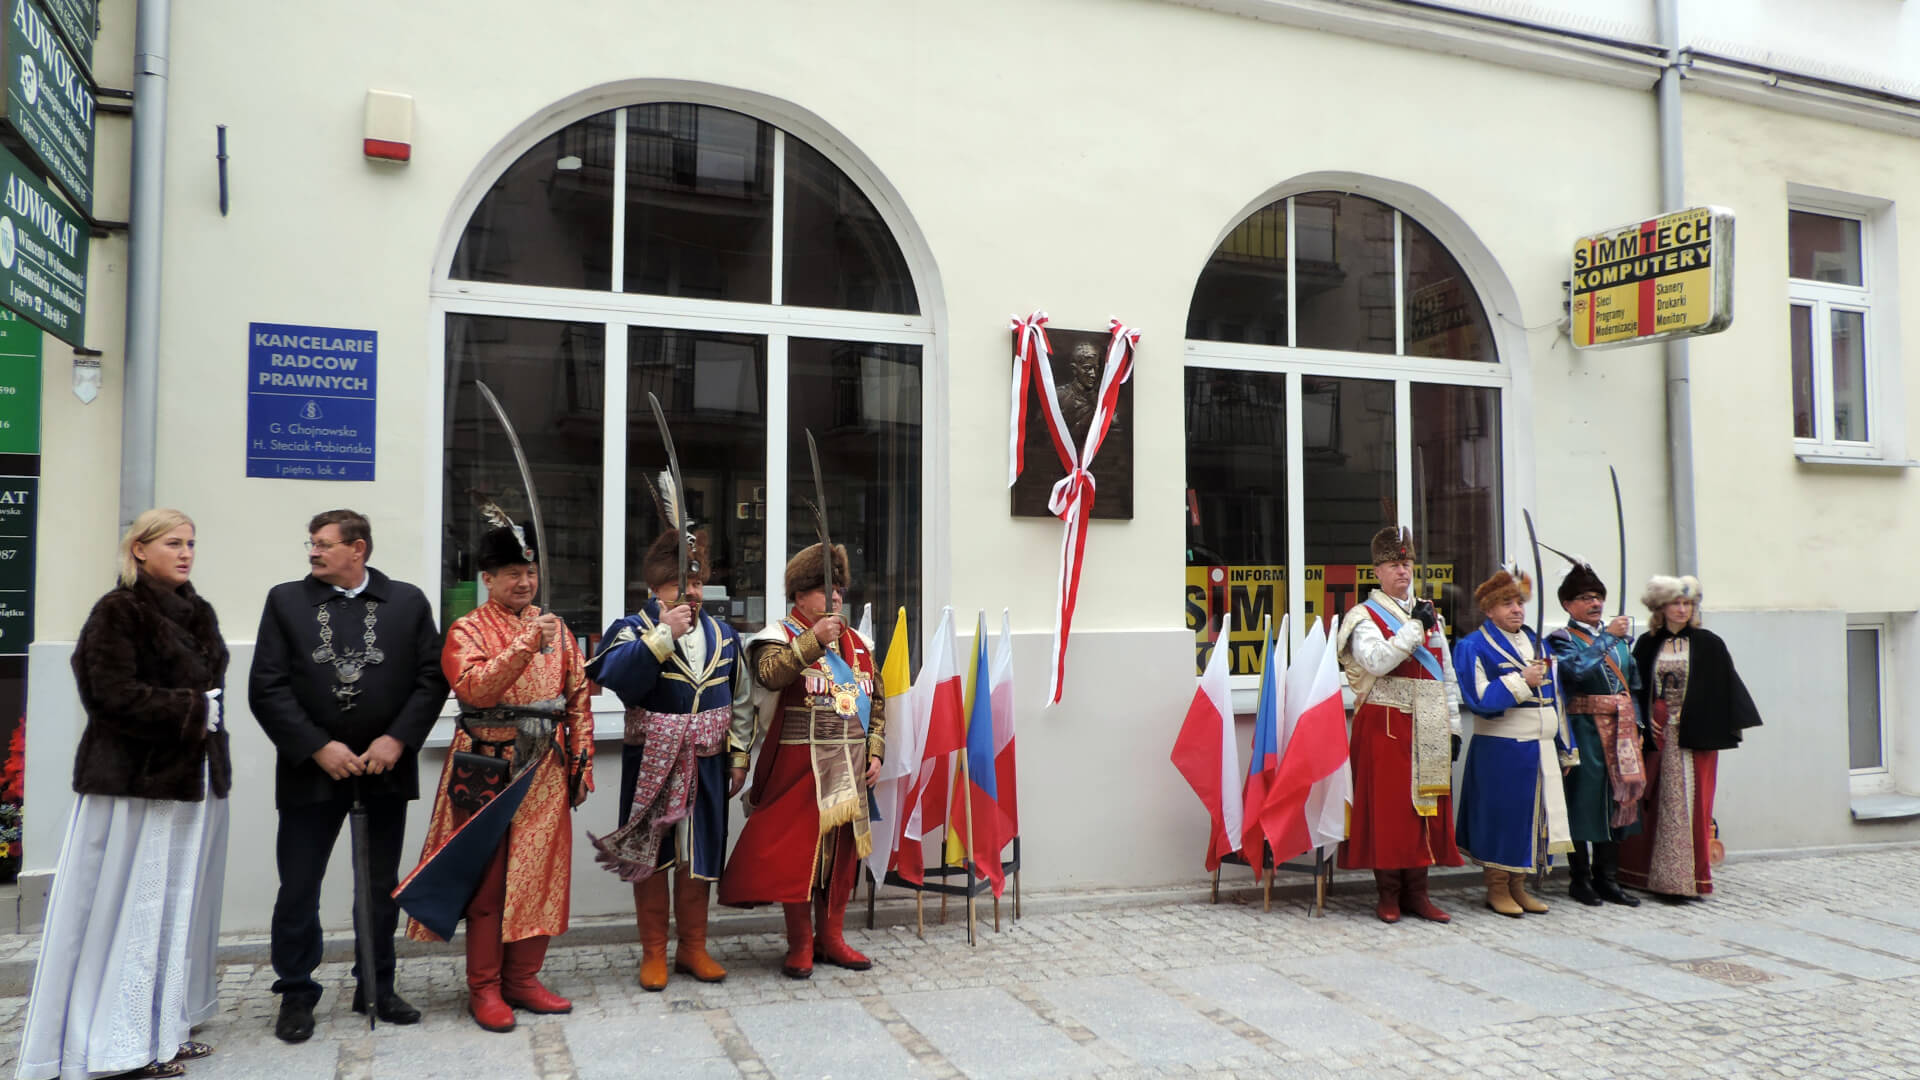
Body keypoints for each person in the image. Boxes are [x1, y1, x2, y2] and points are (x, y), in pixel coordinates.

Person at [17, 510, 229, 1080]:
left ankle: (160, 1033)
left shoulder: (198, 611)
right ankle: (109, 1046)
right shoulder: (119, 610)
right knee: (123, 911)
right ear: (139, 550)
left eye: (191, 543)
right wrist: (194, 710)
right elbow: (107, 694)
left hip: (186, 782)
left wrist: (206, 723)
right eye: (173, 543)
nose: (186, 553)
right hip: (130, 783)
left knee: (168, 913)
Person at [249, 510, 447, 1043]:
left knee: (379, 886)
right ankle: (295, 991)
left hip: (384, 768)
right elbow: (266, 686)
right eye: (310, 544)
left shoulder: (405, 602)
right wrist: (317, 746)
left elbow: (433, 679)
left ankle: (377, 985)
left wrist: (397, 739)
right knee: (299, 884)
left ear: (357, 549)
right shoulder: (285, 601)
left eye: (323, 544)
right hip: (310, 771)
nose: (312, 553)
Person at [401, 525, 593, 1031]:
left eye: (530, 572)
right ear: (488, 578)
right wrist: (527, 644)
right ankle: (484, 987)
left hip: (545, 767)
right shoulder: (466, 630)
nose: (524, 582)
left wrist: (582, 762)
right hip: (488, 763)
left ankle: (524, 979)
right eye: (513, 573)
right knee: (487, 882)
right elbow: (476, 689)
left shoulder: (558, 629)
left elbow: (578, 698)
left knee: (540, 876)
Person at [586, 528, 752, 990]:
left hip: (707, 762)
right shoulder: (630, 630)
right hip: (652, 761)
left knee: (698, 854)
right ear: (655, 588)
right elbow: (617, 678)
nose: (692, 594)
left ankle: (693, 948)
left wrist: (738, 756)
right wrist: (662, 638)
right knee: (653, 857)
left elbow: (740, 700)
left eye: (697, 585)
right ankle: (654, 953)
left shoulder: (725, 636)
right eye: (681, 586)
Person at [719, 542, 885, 978]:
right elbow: (771, 675)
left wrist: (876, 751)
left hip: (850, 768)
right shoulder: (774, 638)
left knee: (842, 855)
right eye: (824, 590)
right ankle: (800, 944)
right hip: (798, 768)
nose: (834, 598)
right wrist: (814, 641)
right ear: (799, 595)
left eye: (839, 590)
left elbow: (877, 705)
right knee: (799, 856)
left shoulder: (861, 644)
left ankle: (832, 937)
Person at [1334, 525, 1464, 924]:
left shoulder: (1425, 611)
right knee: (1391, 812)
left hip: (1428, 720)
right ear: (1377, 571)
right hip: (1385, 723)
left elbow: (1445, 671)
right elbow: (1376, 661)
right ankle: (1387, 894)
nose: (1403, 571)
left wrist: (1454, 725)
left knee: (1425, 810)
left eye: (1406, 563)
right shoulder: (1363, 616)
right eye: (1394, 564)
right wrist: (1414, 627)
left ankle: (1418, 894)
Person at [1619, 575, 1761, 899]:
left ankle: (1683, 880)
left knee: (1690, 806)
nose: (1682, 610)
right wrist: (1645, 723)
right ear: (1661, 607)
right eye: (1676, 603)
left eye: (1687, 604)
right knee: (1651, 801)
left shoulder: (1709, 644)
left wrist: (1692, 718)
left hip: (1693, 735)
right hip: (1658, 735)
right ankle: (1642, 875)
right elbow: (1635, 690)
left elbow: (1719, 692)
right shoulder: (1646, 643)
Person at [1453, 566, 1575, 917]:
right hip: (1501, 749)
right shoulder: (1472, 646)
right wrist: (1522, 680)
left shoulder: (1538, 642)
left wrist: (1566, 750)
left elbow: (1558, 700)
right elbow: (1479, 699)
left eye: (1519, 602)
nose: (1517, 609)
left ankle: (1518, 886)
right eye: (1507, 603)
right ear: (1489, 610)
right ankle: (1496, 886)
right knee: (1502, 819)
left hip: (1540, 749)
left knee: (1531, 819)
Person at [1545, 562, 1645, 907]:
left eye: (1598, 597)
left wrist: (1640, 727)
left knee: (1619, 799)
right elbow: (1573, 672)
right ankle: (1580, 879)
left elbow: (1632, 686)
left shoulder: (1620, 642)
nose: (1595, 603)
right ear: (1567, 605)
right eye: (1585, 598)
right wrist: (1606, 639)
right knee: (1583, 802)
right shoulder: (1561, 639)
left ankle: (1609, 878)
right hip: (1583, 730)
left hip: (1621, 732)